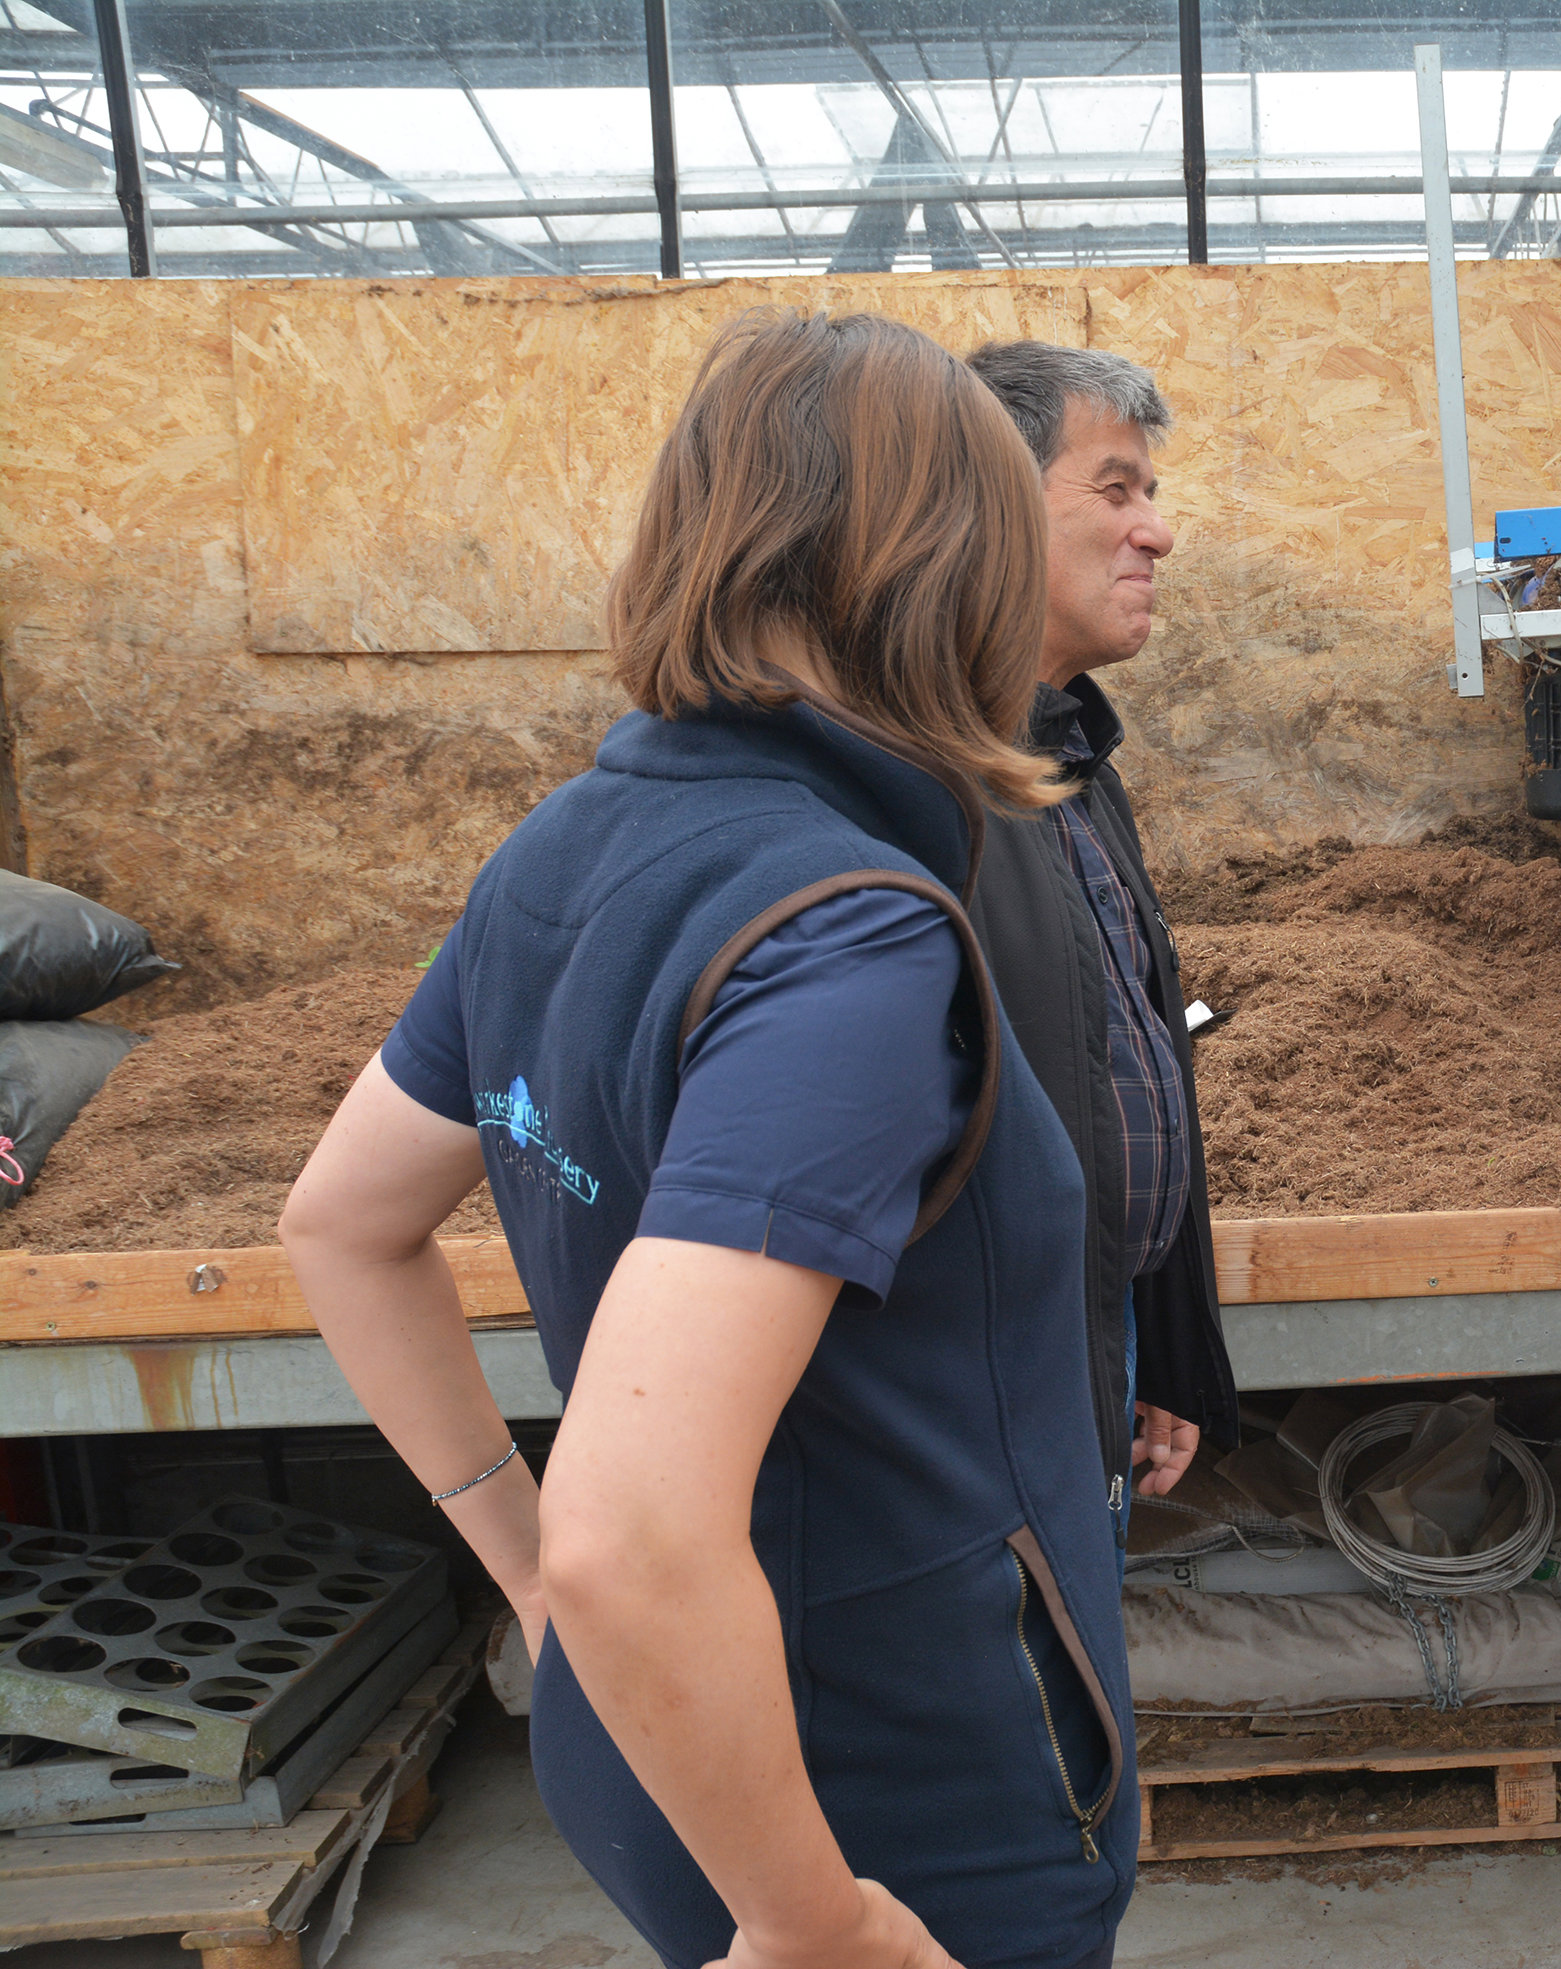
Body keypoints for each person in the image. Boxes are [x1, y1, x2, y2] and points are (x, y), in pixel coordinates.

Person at [280, 310, 1133, 1969]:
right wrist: (812, 1922)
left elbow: (344, 1221)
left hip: (661, 1752)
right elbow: (634, 1526)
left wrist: (523, 1570)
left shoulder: (566, 846)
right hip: (873, 1799)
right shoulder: (848, 940)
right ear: (944, 565)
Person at [962, 339, 1237, 1536]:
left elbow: (1125, 1057)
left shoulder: (1070, 762)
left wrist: (1160, 1343)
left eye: (1152, 496)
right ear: (981, 505)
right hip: (984, 1390)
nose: (1156, 532)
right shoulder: (927, 794)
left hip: (1094, 1349)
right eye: (1116, 490)